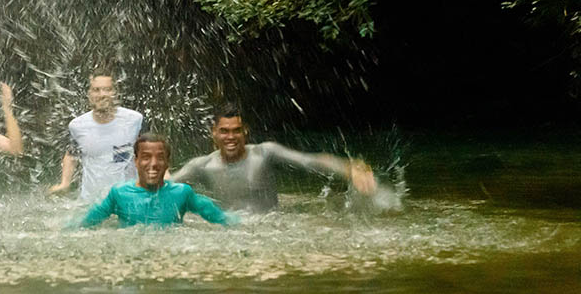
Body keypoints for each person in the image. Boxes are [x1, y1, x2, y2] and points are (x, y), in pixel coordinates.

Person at [169, 104, 378, 213]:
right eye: (224, 131)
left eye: (236, 131)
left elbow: (309, 161)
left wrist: (349, 168)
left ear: (246, 131)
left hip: (272, 227)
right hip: (229, 233)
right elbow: (167, 185)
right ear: (213, 133)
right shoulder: (202, 166)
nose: (230, 137)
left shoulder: (264, 153)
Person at [72, 133, 235, 228]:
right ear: (135, 161)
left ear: (168, 162)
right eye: (146, 157)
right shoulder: (119, 194)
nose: (154, 164)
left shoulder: (182, 193)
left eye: (160, 158)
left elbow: (222, 219)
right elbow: (85, 223)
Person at [49, 71, 143, 200]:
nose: (102, 94)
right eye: (96, 90)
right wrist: (64, 183)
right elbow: (71, 155)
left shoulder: (134, 120)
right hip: (91, 203)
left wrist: (165, 178)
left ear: (115, 92)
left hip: (128, 199)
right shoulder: (77, 125)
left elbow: (150, 151)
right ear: (88, 94)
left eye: (107, 89)